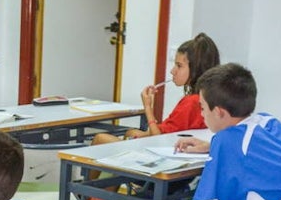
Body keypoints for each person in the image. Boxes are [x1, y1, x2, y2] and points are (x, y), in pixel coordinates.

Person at [174, 63, 281, 200]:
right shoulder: (268, 122)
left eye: (202, 107)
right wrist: (210, 146)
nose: (202, 114)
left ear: (219, 112)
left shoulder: (226, 141)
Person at [91, 32, 219, 145]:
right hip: (176, 146)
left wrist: (148, 107)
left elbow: (158, 139)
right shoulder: (211, 99)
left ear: (196, 68)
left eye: (179, 66)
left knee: (100, 138)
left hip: (163, 152)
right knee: (131, 133)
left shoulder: (191, 102)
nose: (172, 71)